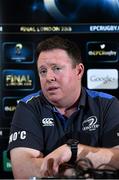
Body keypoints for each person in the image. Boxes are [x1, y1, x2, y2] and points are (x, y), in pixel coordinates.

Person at [8, 36, 119, 179]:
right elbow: (22, 170)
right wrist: (74, 173)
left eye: (57, 68)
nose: (49, 77)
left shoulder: (107, 104)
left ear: (78, 71)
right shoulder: (28, 107)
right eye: (43, 71)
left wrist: (74, 151)